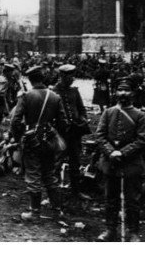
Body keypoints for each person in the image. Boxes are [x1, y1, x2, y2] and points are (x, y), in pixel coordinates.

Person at [11, 66, 68, 222]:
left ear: (30, 80)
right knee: (50, 175)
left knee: (33, 175)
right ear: (43, 78)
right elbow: (63, 122)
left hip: (31, 141)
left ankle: (35, 213)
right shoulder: (55, 97)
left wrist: (19, 138)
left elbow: (15, 122)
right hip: (50, 140)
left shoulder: (26, 96)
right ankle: (57, 211)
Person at [95, 78, 145, 242]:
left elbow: (142, 141)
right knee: (110, 199)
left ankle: (133, 232)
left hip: (131, 164)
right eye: (120, 90)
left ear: (133, 93)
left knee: (132, 201)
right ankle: (110, 229)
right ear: (116, 93)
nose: (123, 93)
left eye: (127, 90)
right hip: (111, 163)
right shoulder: (108, 112)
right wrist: (111, 152)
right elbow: (100, 136)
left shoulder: (139, 115)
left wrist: (123, 153)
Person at [52, 64, 90, 199]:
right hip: (59, 133)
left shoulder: (74, 91)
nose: (72, 78)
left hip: (74, 132)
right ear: (62, 76)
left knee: (75, 161)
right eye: (70, 76)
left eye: (73, 76)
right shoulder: (54, 92)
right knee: (56, 163)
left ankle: (76, 191)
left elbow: (81, 109)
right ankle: (54, 194)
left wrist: (83, 118)